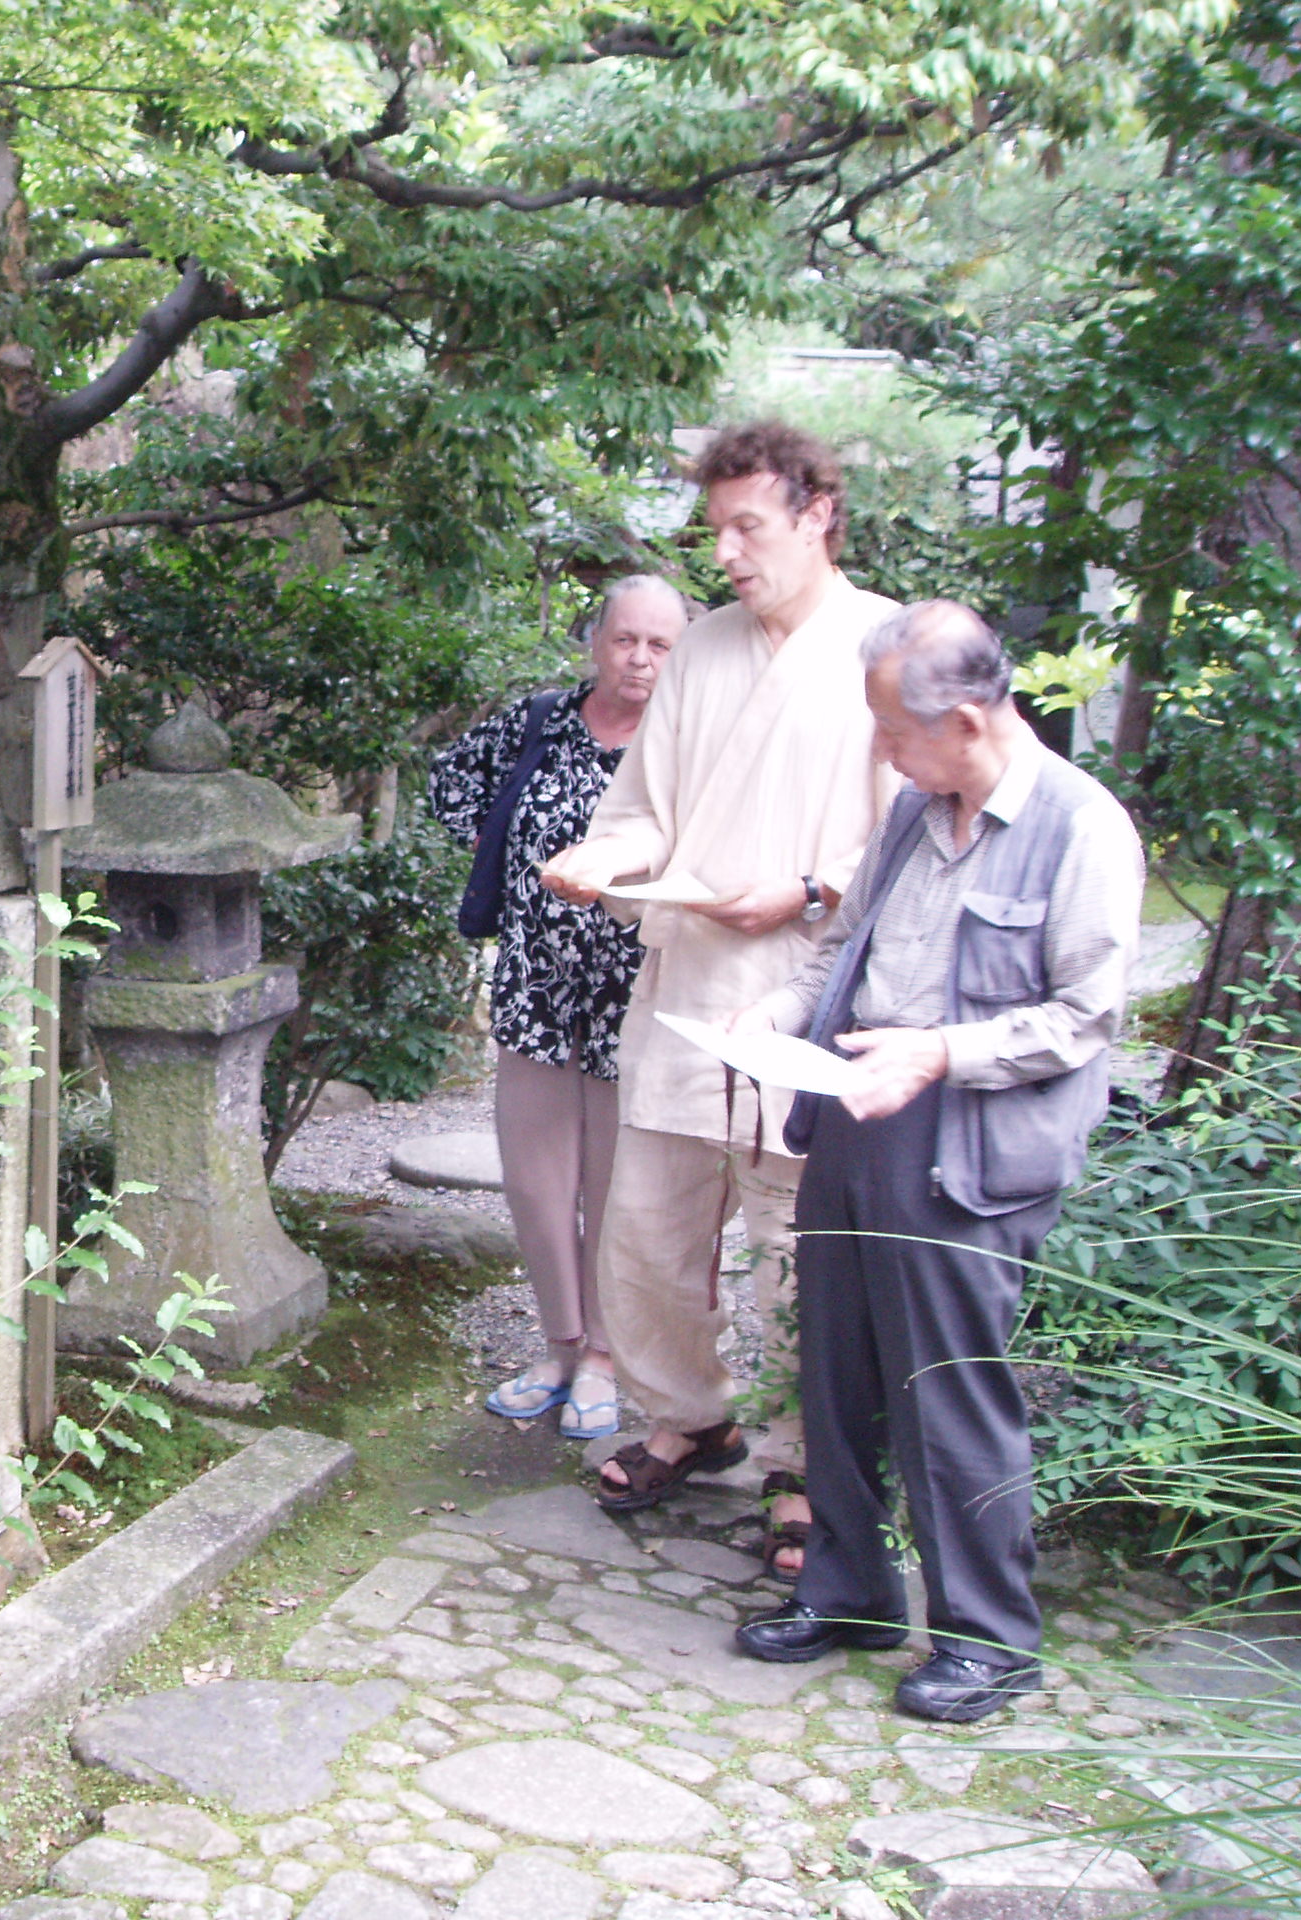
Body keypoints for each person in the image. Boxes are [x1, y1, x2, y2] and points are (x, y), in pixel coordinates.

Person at [730, 600, 1142, 1722]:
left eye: (892, 731)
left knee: (949, 1400)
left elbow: (1081, 1017)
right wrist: (768, 1019)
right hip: (855, 1120)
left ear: (965, 719)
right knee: (837, 1376)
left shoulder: (1081, 827)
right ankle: (850, 1594)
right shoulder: (915, 812)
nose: (880, 751)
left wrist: (941, 1053)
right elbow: (838, 951)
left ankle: (988, 1644)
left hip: (968, 1150)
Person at [541, 421, 896, 1569]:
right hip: (686, 972)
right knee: (643, 1231)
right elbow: (643, 808)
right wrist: (607, 860)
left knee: (796, 1245)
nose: (729, 553)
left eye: (750, 526)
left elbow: (915, 840)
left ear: (815, 513)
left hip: (812, 988)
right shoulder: (700, 654)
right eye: (717, 530)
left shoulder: (884, 647)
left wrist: (803, 887)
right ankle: (689, 1417)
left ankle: (805, 1460)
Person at [430, 576, 692, 1441]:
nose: (640, 659)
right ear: (597, 641)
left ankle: (610, 1356)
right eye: (625, 639)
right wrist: (489, 837)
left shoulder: (689, 743)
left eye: (659, 644)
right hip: (536, 990)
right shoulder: (540, 720)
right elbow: (450, 776)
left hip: (637, 997)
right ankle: (561, 1343)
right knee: (539, 1185)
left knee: (619, 1187)